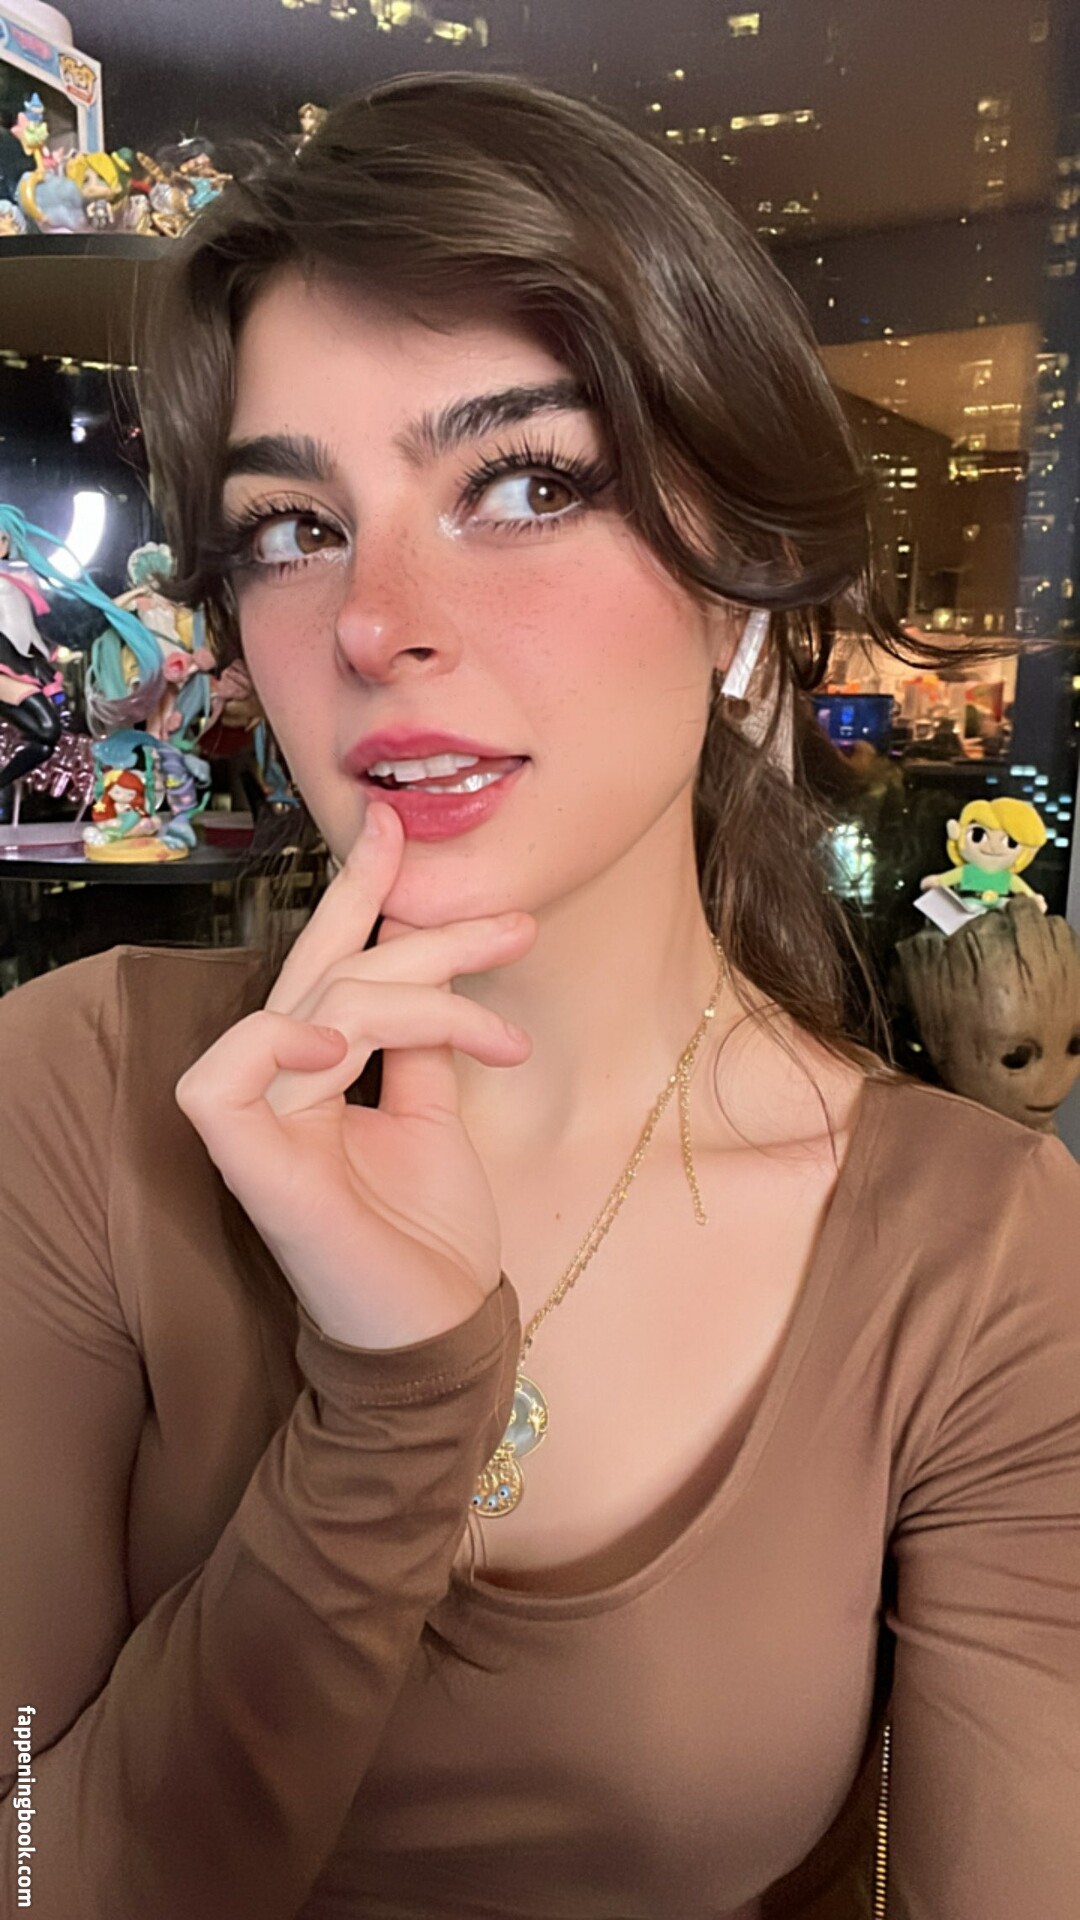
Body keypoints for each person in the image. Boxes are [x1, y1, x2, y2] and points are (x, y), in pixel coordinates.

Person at [0, 72, 1077, 1920]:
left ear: (743, 588)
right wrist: (390, 1418)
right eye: (292, 525)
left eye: (522, 483)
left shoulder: (986, 1258)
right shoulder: (70, 1088)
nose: (373, 621)